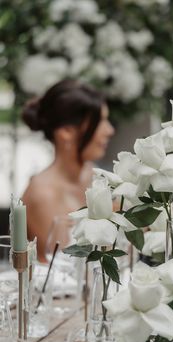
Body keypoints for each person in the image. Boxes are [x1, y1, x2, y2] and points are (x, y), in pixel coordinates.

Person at [22, 80, 114, 262]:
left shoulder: (98, 177)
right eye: (100, 121)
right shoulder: (43, 194)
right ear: (66, 131)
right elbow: (64, 270)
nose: (109, 130)